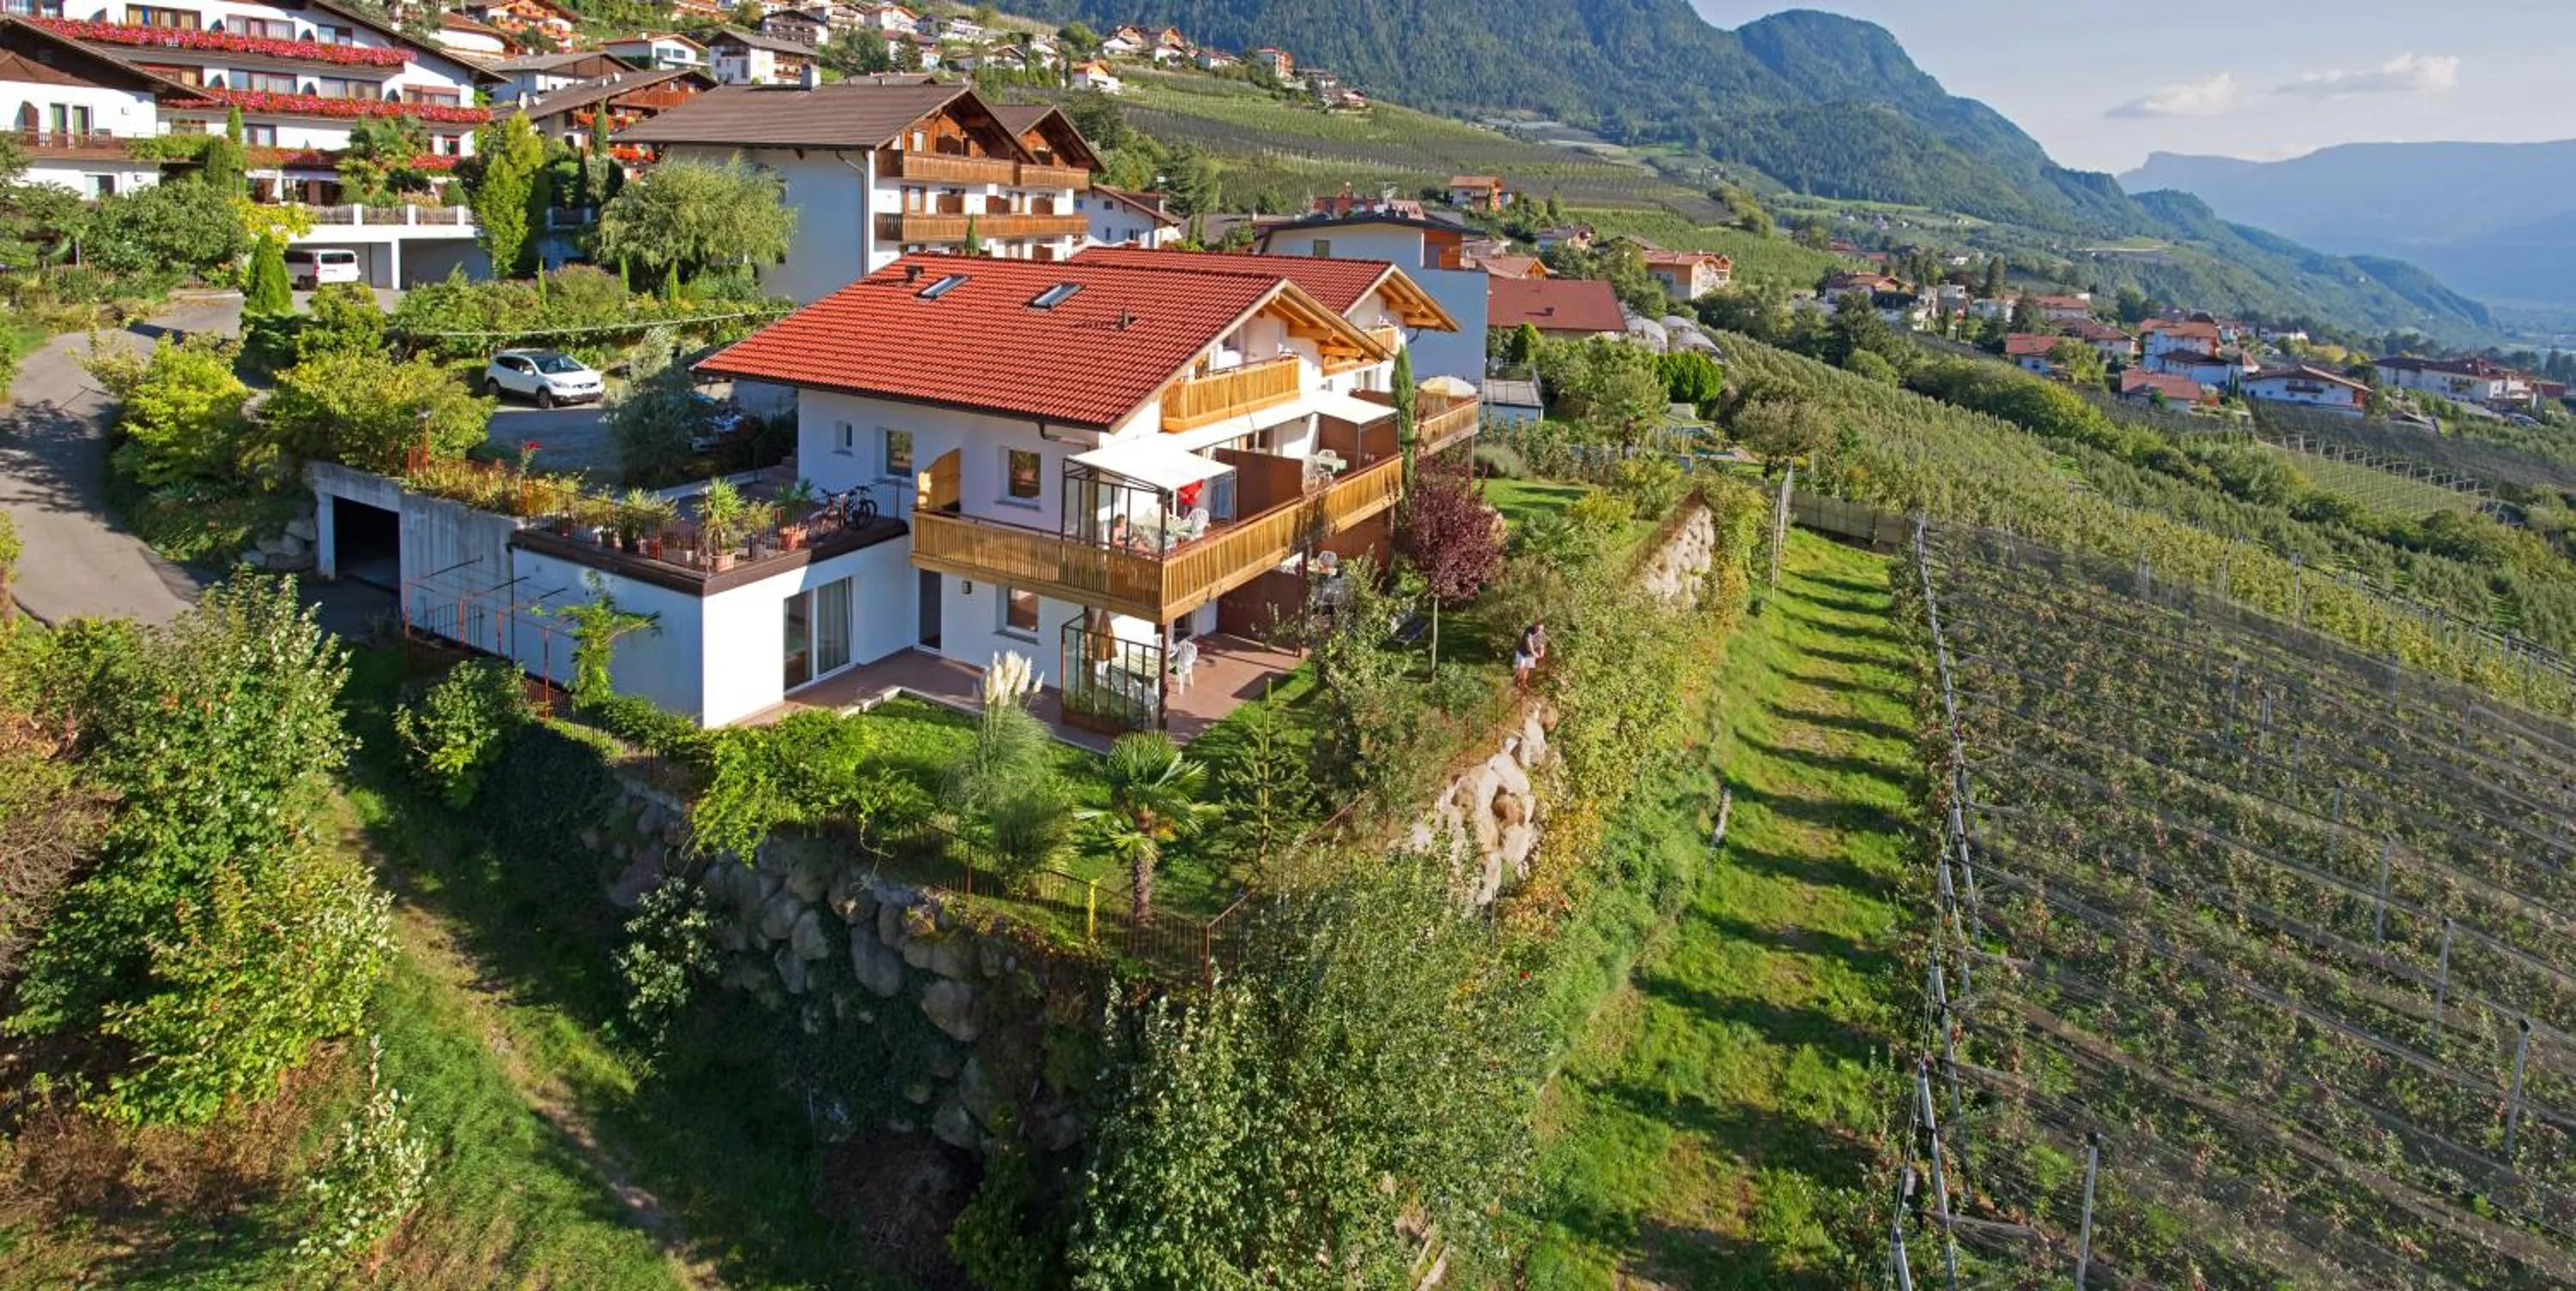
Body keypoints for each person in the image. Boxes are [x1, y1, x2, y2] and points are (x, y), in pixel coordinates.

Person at [1515, 618, 1548, 688]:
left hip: (1530, 655)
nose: (1539, 631)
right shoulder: (1529, 630)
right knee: (1520, 669)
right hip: (1522, 652)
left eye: (1541, 630)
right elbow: (1529, 643)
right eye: (1538, 629)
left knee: (1526, 670)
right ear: (1535, 626)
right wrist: (1533, 652)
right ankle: (1518, 681)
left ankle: (1523, 684)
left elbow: (1542, 645)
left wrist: (1542, 654)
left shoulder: (1542, 634)